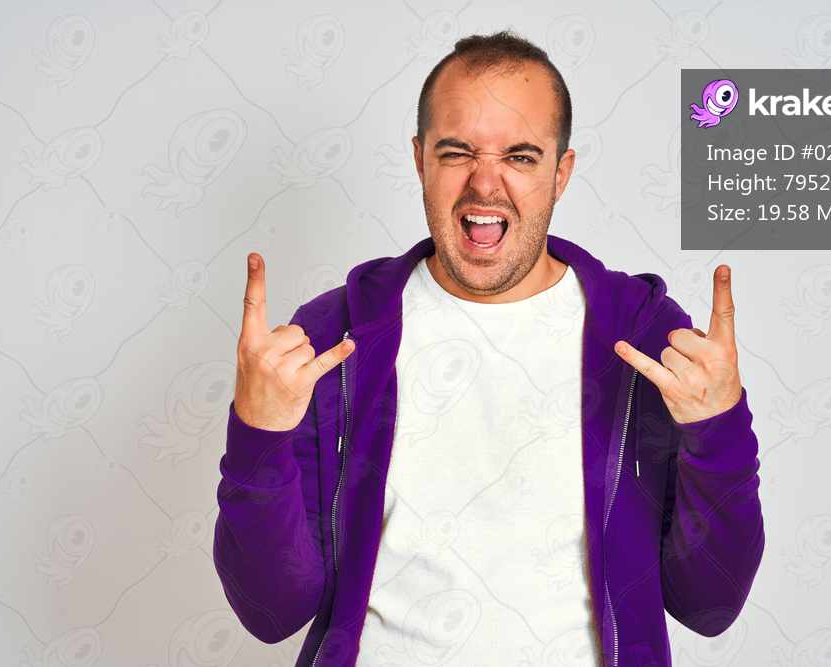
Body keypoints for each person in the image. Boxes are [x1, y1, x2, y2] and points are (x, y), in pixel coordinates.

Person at [215, 31, 764, 667]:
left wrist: (720, 433)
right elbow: (271, 613)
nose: (485, 183)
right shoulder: (332, 339)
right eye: (456, 153)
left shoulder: (645, 339)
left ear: (561, 173)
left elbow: (708, 605)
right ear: (420, 160)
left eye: (520, 156)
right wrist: (257, 436)